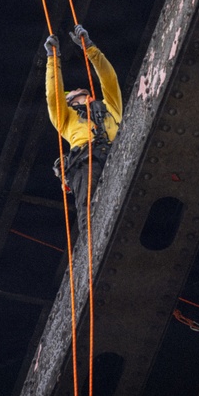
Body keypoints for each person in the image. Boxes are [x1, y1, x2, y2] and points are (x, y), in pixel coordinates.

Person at [44, 25, 122, 238]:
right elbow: (53, 96)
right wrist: (53, 59)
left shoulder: (109, 106)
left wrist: (90, 48)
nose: (80, 89)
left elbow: (109, 78)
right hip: (87, 162)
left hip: (117, 153)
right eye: (74, 91)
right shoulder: (66, 118)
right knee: (91, 214)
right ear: (69, 101)